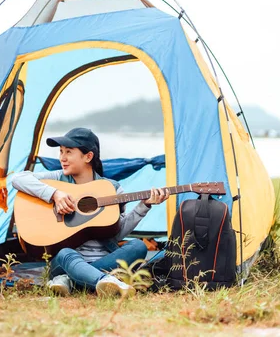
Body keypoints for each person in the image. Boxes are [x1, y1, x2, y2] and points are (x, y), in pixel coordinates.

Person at [12, 127, 169, 297]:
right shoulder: (57, 179)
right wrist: (54, 194)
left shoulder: (111, 188)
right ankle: (105, 281)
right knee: (65, 253)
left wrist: (143, 206)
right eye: (61, 152)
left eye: (69, 152)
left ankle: (72, 280)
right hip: (65, 261)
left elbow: (116, 234)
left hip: (103, 260)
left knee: (138, 245)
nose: (62, 158)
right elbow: (18, 179)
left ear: (88, 156)